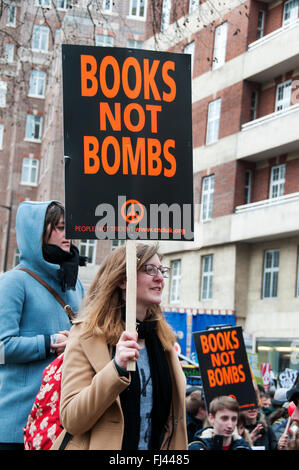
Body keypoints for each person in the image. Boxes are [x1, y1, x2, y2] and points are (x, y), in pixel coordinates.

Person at [51, 243, 187, 450]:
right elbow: (72, 419)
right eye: (149, 270)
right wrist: (116, 369)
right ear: (123, 280)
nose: (159, 277)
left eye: (162, 270)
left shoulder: (163, 340)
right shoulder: (87, 335)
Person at [0, 201, 85, 450]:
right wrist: (50, 343)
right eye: (59, 227)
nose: (67, 235)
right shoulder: (14, 281)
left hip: (61, 422)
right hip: (16, 424)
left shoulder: (74, 284)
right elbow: (1, 348)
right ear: (37, 232)